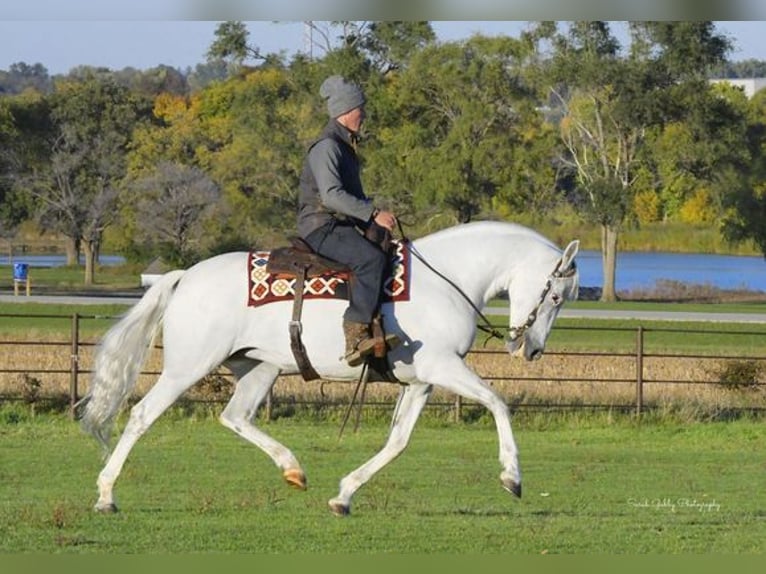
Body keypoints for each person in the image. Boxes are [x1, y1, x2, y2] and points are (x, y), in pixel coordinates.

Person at [297, 75, 400, 366]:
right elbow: (331, 196)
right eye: (360, 109)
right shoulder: (327, 147)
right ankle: (355, 336)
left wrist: (375, 222)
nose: (364, 114)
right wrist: (372, 214)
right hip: (320, 228)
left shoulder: (344, 146)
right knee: (369, 260)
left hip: (337, 226)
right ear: (345, 111)